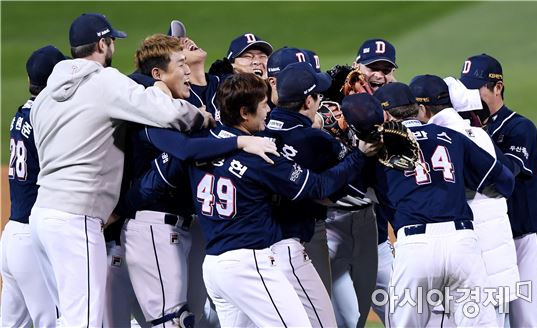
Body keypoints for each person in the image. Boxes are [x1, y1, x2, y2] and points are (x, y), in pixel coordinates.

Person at [28, 13, 208, 327]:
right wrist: (201, 116)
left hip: (43, 215)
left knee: (67, 315)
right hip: (76, 218)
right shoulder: (103, 81)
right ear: (102, 44)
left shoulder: (44, 97)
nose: (113, 48)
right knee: (84, 320)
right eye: (111, 41)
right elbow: (163, 112)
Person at [187, 72, 376, 327]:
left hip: (214, 267)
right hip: (250, 262)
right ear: (245, 112)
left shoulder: (203, 144)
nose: (269, 109)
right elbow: (318, 186)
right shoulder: (259, 158)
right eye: (264, 104)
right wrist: (360, 156)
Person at [118, 33, 277, 328]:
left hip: (182, 224)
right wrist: (240, 143)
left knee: (199, 317)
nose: (187, 71)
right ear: (158, 75)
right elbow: (187, 149)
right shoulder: (151, 109)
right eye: (181, 65)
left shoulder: (181, 106)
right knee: (171, 320)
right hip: (152, 224)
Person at [370, 82, 513, 326]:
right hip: (463, 245)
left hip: (416, 249)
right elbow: (505, 182)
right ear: (416, 109)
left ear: (384, 114)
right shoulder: (453, 138)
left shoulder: (378, 150)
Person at [410, 74, 520, 327]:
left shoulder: (435, 141)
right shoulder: (479, 135)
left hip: (466, 261)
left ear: (422, 109)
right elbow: (504, 184)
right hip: (497, 261)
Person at [459, 54, 537, 327]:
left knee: (526, 321)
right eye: (466, 89)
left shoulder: (519, 128)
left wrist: (476, 134)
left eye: (477, 89)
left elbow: (507, 171)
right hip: (493, 243)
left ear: (497, 88)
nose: (471, 96)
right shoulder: (468, 129)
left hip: (527, 240)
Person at [263, 61, 343, 326]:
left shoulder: (257, 131)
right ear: (309, 101)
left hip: (248, 252)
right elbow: (335, 192)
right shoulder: (314, 140)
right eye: (318, 96)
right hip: (287, 249)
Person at [326, 38, 399, 327]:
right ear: (358, 67)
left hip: (378, 238)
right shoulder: (330, 107)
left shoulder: (397, 111)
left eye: (387, 69)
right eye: (373, 67)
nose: (379, 75)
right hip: (333, 237)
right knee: (346, 321)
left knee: (405, 315)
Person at [1, 45, 65, 328]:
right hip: (32, 239)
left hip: (12, 237)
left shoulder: (21, 113)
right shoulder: (45, 118)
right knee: (51, 321)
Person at [208, 32, 273, 80]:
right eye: (248, 56)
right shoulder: (220, 90)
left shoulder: (277, 89)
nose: (257, 61)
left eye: (262, 56)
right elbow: (217, 69)